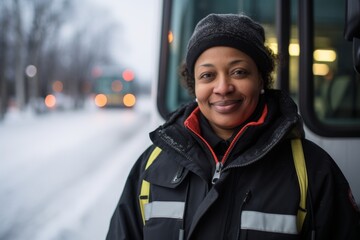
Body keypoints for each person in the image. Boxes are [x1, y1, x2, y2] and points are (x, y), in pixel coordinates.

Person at [106, 13, 360, 240]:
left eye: (238, 72)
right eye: (208, 75)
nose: (223, 87)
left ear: (261, 78)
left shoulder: (312, 170)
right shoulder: (152, 166)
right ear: (194, 85)